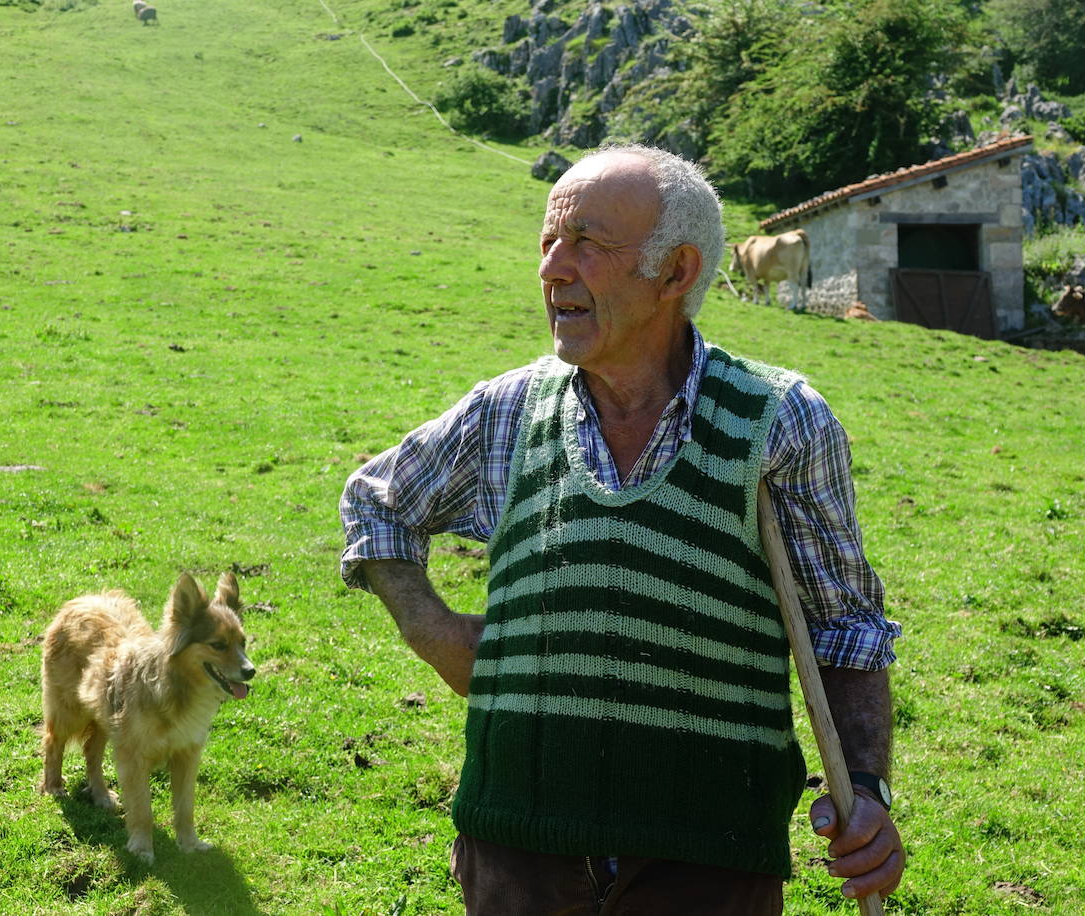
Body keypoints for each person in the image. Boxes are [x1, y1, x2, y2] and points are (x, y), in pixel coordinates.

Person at [339, 144, 904, 915]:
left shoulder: (778, 422)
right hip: (519, 846)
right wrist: (435, 633)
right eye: (547, 245)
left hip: (705, 857)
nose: (551, 271)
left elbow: (843, 628)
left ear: (674, 273)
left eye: (587, 246)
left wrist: (865, 788)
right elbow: (376, 501)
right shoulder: (507, 411)